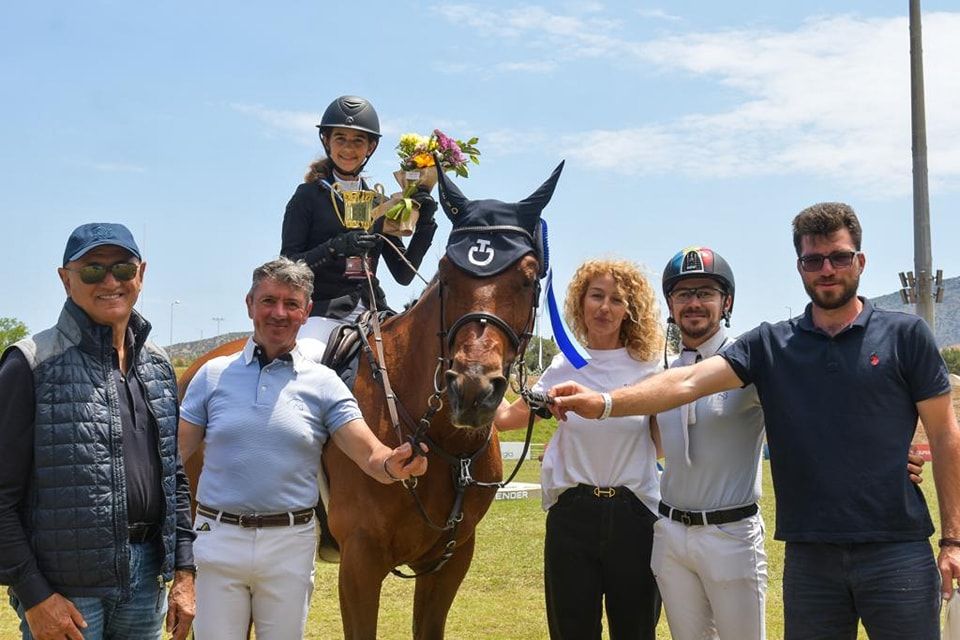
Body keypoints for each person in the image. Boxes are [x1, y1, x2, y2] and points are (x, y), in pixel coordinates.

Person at [551, 203, 960, 639]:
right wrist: (603, 402)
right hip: (753, 544)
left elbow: (930, 427)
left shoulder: (888, 337)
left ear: (860, 261)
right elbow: (681, 388)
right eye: (813, 260)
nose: (827, 269)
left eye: (839, 257)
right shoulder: (740, 352)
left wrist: (947, 529)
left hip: (864, 543)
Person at [177, 257, 428, 640]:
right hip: (219, 539)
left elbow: (369, 454)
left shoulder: (324, 383)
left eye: (291, 304)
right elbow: (172, 458)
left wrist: (394, 464)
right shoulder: (212, 377)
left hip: (288, 544)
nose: (279, 313)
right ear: (249, 304)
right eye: (268, 301)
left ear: (306, 311)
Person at [0, 223, 196, 640]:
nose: (110, 282)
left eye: (122, 269)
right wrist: (34, 595)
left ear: (141, 273)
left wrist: (184, 570)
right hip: (65, 590)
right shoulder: (30, 364)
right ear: (65, 279)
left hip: (144, 584)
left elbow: (173, 478)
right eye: (92, 270)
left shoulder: (158, 366)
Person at [495, 258, 663, 640]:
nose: (604, 308)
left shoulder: (651, 368)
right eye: (596, 296)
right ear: (580, 302)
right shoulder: (560, 367)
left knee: (635, 630)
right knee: (571, 631)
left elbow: (663, 445)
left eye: (617, 300)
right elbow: (506, 420)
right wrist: (493, 368)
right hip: (572, 515)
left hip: (635, 515)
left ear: (630, 310)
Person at [280, 94, 439, 350]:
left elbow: (404, 274)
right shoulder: (307, 196)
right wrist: (335, 248)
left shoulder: (378, 202)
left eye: (358, 141)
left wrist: (425, 225)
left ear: (370, 147)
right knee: (307, 357)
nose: (348, 149)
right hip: (322, 312)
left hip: (374, 310)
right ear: (327, 142)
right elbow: (287, 266)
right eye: (340, 139)